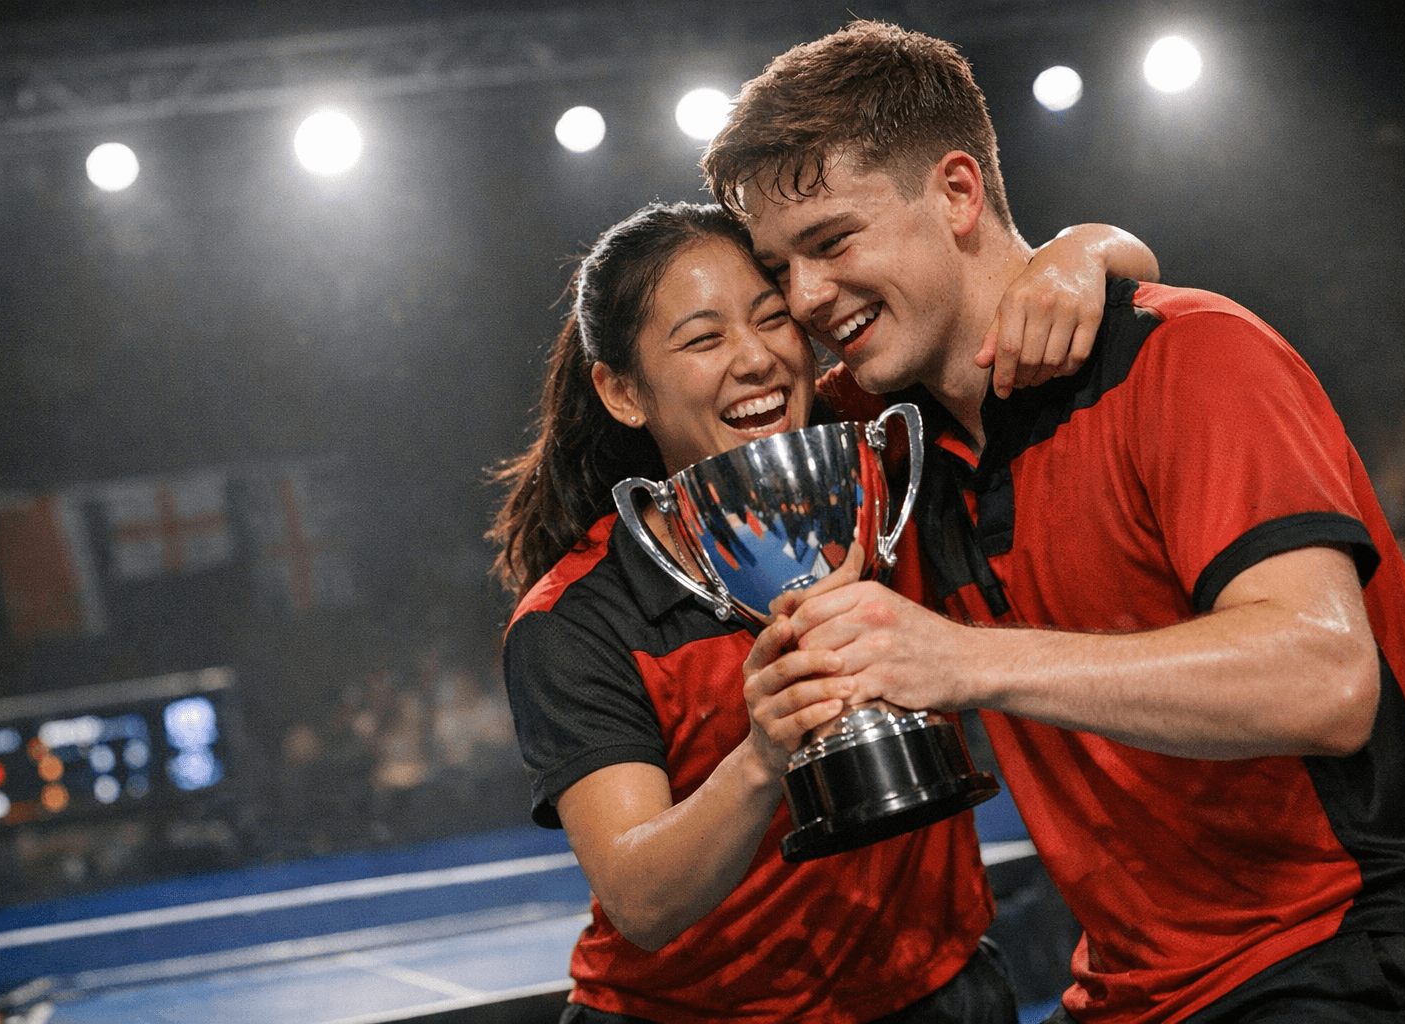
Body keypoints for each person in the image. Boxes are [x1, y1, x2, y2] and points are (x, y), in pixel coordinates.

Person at [704, 20, 1405, 1024]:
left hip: (1352, 945)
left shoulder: (1192, 356)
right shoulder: (878, 444)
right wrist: (1087, 244)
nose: (803, 296)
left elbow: (1322, 677)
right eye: (779, 268)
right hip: (1131, 988)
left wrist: (965, 660)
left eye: (833, 241)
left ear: (959, 192)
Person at [490, 200, 1158, 1023]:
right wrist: (762, 756)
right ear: (623, 392)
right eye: (703, 339)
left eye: (773, 320)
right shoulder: (580, 617)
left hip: (939, 991)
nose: (757, 359)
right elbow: (643, 901)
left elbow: (1115, 268)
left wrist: (1078, 249)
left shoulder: (873, 448)